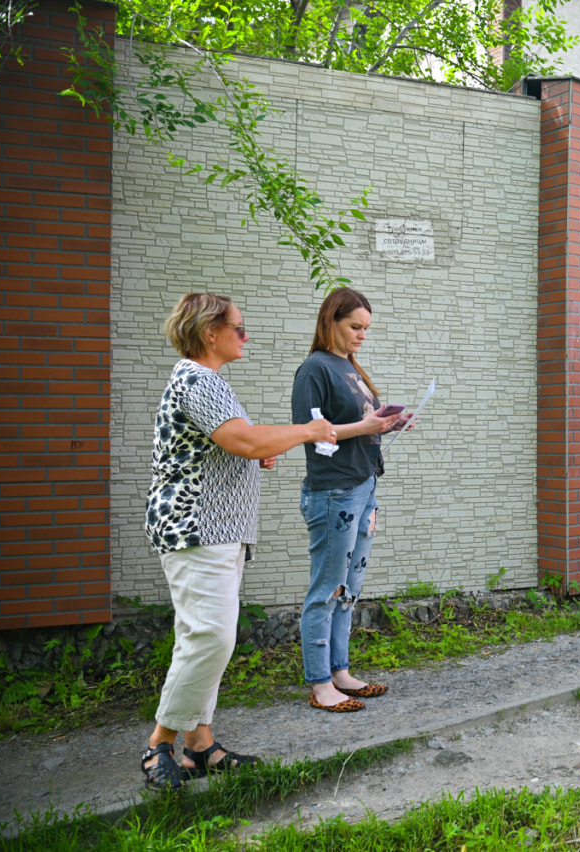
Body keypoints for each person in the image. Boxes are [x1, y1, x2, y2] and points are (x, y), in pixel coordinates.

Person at [142, 294, 335, 791]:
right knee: (211, 637)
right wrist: (303, 432)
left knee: (202, 639)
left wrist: (250, 457)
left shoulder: (207, 382)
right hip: (196, 528)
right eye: (240, 328)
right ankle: (159, 742)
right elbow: (245, 439)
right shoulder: (198, 380)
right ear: (211, 331)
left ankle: (200, 747)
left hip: (215, 529)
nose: (245, 336)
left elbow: (236, 444)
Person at [292, 288, 410, 712]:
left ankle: (340, 671)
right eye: (355, 327)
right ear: (331, 322)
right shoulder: (314, 370)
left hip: (363, 487)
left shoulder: (349, 367)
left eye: (366, 328)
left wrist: (386, 424)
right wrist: (364, 427)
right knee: (326, 588)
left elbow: (357, 426)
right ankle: (320, 683)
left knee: (349, 588)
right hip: (333, 492)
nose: (362, 335)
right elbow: (310, 432)